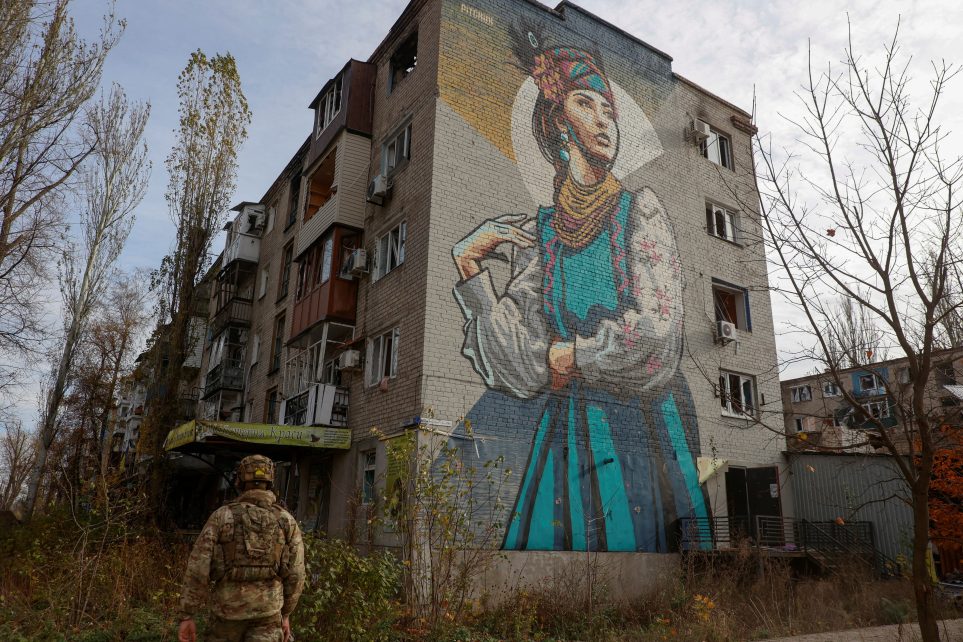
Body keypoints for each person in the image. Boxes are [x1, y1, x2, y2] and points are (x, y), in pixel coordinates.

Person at [452, 41, 709, 552]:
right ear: (557, 124)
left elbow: (661, 332)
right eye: (586, 105)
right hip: (568, 430)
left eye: (608, 108)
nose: (604, 120)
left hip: (644, 422)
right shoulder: (542, 235)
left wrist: (576, 354)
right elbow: (517, 361)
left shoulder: (640, 212)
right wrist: (470, 268)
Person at [177, 454, 305, 642]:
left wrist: (187, 615)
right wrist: (286, 614)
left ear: (240, 480)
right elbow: (296, 573)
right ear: (270, 481)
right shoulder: (286, 521)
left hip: (225, 617)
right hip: (268, 616)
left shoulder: (222, 516)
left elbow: (198, 568)